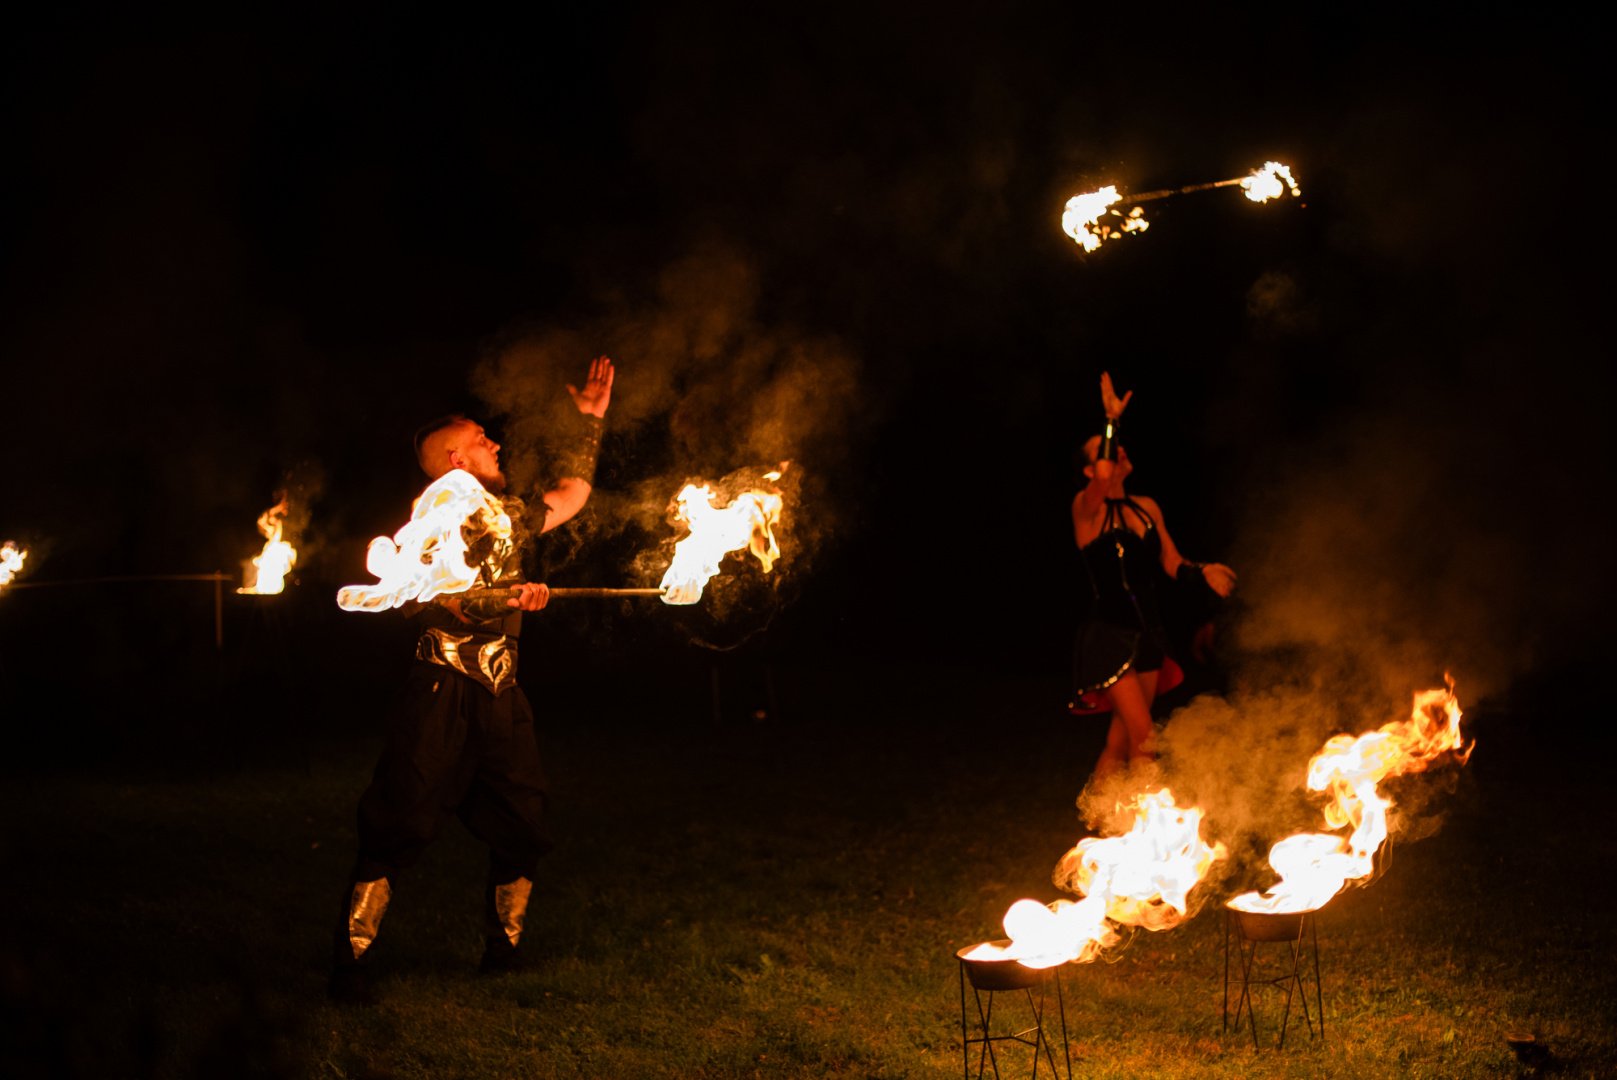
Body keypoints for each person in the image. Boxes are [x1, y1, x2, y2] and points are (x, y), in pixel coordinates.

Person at [329, 356, 615, 1003]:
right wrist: (509, 598)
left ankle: (502, 952)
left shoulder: (506, 515)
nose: (495, 443)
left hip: (501, 693)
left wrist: (589, 425)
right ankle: (350, 963)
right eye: (482, 439)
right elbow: (452, 601)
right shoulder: (432, 526)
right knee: (397, 820)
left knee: (523, 820)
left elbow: (572, 495)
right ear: (457, 459)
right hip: (440, 692)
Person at [1070, 372, 1235, 779]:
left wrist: (1203, 572)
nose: (1117, 452)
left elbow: (1171, 561)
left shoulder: (1146, 507)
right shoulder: (1085, 510)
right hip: (1108, 635)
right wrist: (1111, 421)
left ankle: (1102, 823)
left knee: (1121, 740)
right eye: (1104, 453)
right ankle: (1140, 833)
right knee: (1145, 738)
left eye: (1115, 446)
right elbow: (1107, 477)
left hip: (1147, 635)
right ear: (1091, 472)